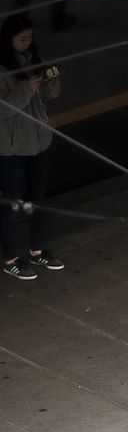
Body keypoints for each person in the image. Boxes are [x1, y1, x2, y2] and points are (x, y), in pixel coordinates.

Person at [0, 15, 63, 280]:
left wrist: (51, 80)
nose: (27, 42)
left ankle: (38, 251)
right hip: (12, 150)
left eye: (30, 38)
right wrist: (26, 89)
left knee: (38, 201)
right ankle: (11, 258)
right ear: (9, 40)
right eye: (22, 38)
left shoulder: (34, 59)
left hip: (39, 143)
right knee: (14, 205)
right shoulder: (3, 70)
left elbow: (52, 96)